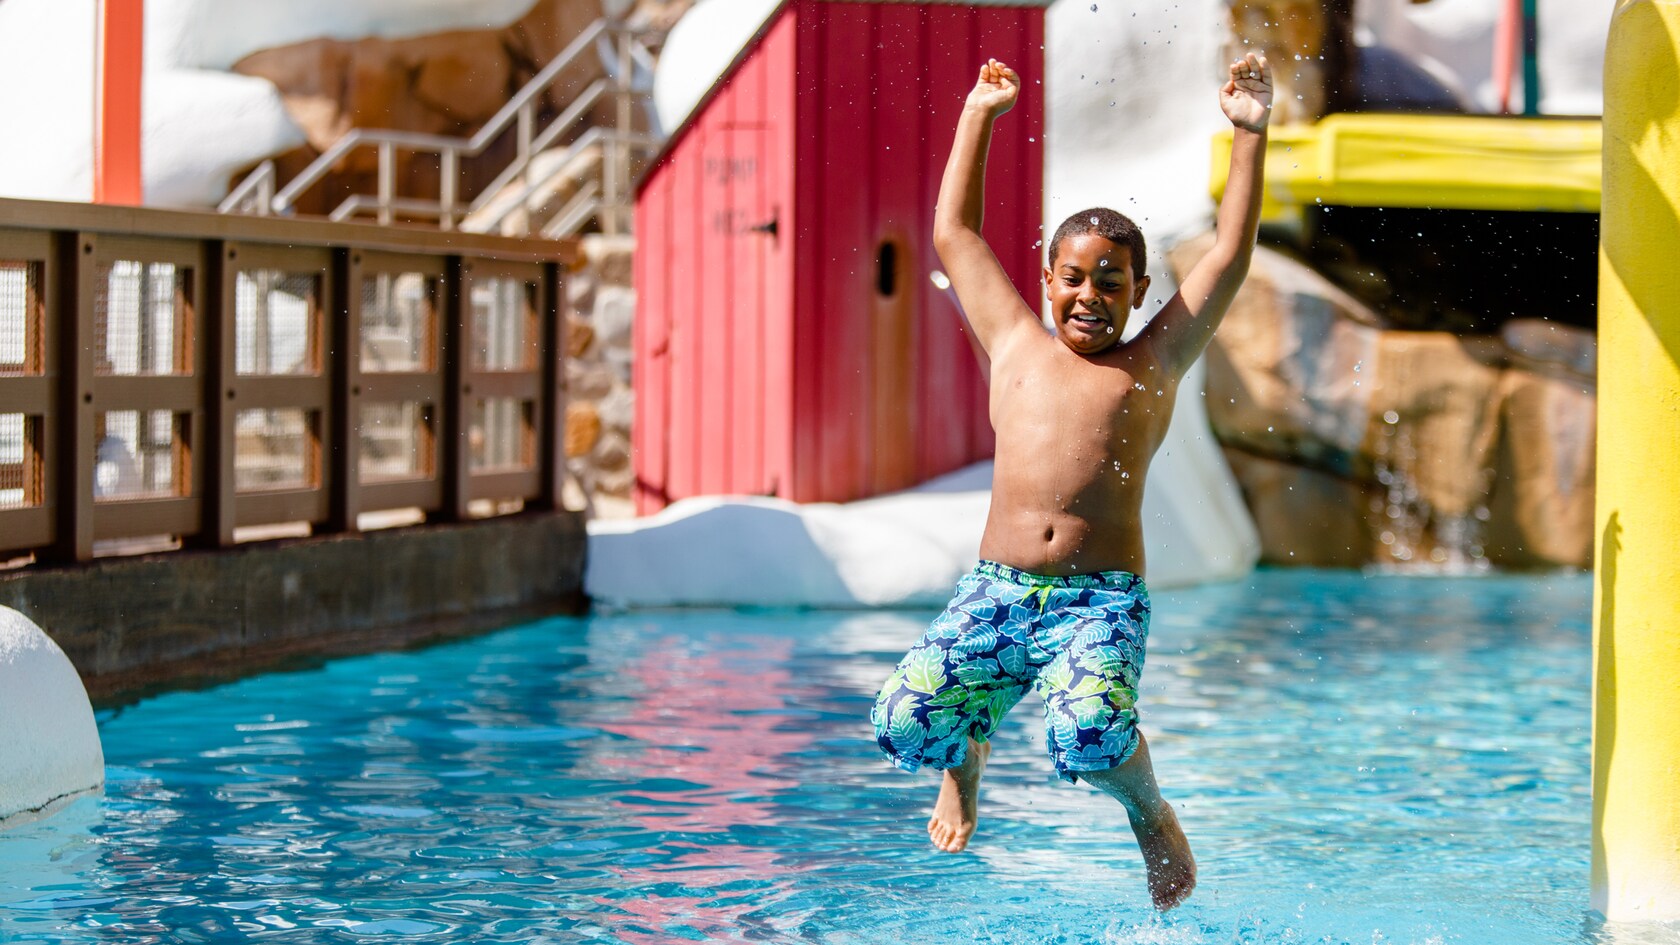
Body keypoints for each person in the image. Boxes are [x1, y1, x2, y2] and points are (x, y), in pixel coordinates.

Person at [870, 51, 1273, 911]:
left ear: (1139, 294)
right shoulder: (1014, 342)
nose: (1089, 295)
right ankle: (965, 758)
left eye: (1111, 283)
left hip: (1100, 602)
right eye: (1073, 278)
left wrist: (1248, 135)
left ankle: (1149, 810)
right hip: (997, 592)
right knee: (904, 716)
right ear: (1047, 280)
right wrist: (980, 110)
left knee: (1090, 736)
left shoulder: (1154, 362)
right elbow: (954, 234)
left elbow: (1231, 255)